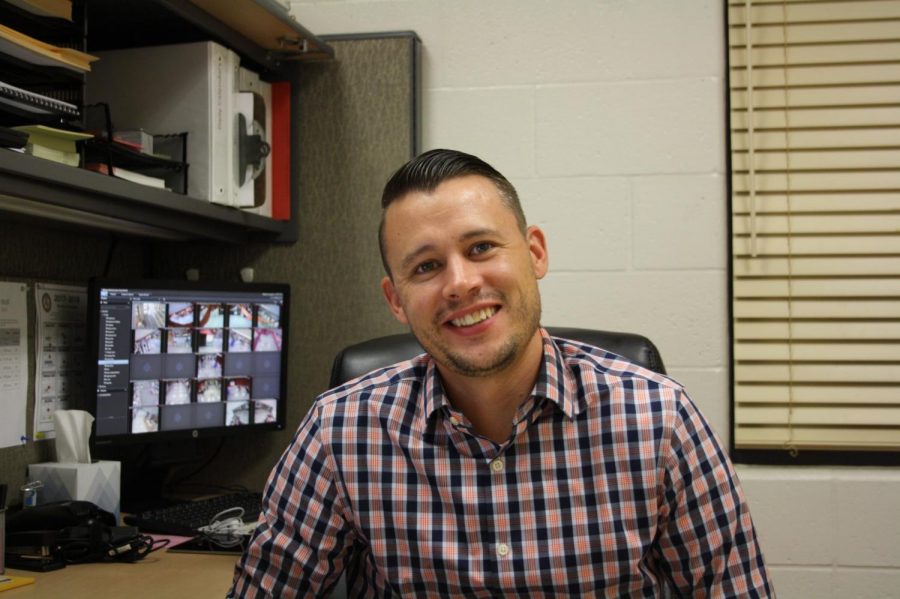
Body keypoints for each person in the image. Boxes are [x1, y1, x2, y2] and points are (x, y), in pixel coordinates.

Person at [229, 149, 773, 597]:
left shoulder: (658, 419)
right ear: (396, 300)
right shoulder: (341, 432)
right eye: (426, 267)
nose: (460, 283)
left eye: (481, 247)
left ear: (534, 253)